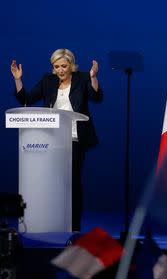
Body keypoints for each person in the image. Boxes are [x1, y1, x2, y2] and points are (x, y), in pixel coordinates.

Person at [10, 48, 103, 232]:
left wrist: (93, 77)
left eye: (64, 66)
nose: (60, 70)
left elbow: (97, 97)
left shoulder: (82, 77)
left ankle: (74, 228)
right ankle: (52, 223)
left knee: (73, 184)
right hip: (53, 141)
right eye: (56, 66)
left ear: (71, 65)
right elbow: (27, 99)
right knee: (53, 183)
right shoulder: (48, 80)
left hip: (75, 139)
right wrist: (17, 79)